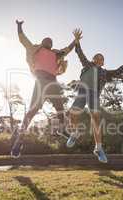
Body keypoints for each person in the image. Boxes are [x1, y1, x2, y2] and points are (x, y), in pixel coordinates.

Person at [11, 20, 82, 158]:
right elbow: (23, 40)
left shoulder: (56, 54)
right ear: (42, 42)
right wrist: (19, 26)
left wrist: (76, 40)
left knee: (61, 110)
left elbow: (67, 49)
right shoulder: (35, 49)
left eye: (51, 41)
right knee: (31, 113)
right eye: (46, 40)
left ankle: (62, 129)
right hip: (40, 82)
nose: (49, 42)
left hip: (53, 83)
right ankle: (18, 142)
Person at [67, 29, 123, 163]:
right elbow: (80, 54)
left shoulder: (105, 73)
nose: (99, 59)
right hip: (82, 91)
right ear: (93, 60)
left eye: (102, 58)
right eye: (97, 57)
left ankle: (98, 148)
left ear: (103, 62)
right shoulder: (87, 65)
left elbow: (118, 72)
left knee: (96, 118)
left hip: (94, 94)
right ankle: (75, 132)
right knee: (72, 114)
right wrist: (77, 42)